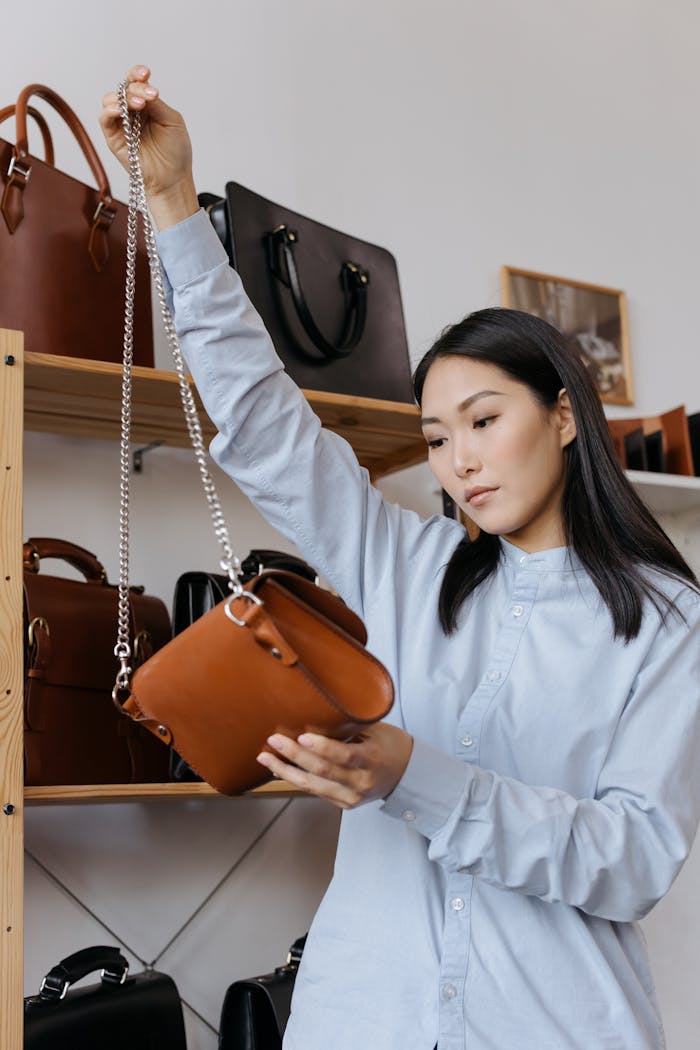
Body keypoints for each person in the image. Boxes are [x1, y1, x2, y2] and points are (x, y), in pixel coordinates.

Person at [101, 67, 700, 1050]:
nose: (458, 460)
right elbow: (259, 418)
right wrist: (171, 201)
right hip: (358, 1022)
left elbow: (631, 862)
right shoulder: (403, 564)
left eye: (482, 419)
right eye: (434, 438)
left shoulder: (666, 621)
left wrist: (414, 779)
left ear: (561, 416)